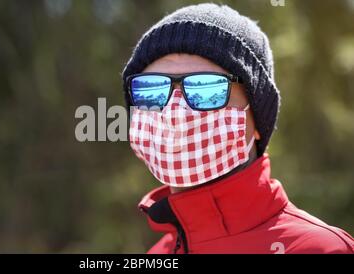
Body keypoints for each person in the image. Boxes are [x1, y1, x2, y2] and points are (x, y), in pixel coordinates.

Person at [122, 3, 354, 254]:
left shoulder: (322, 250)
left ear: (256, 115)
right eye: (151, 89)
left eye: (207, 89)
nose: (174, 113)